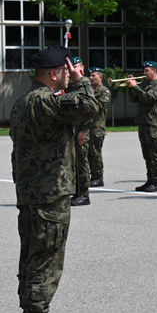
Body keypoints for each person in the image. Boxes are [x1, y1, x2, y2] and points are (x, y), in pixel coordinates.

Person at [10, 46, 99, 313]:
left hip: (32, 192)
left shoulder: (23, 100)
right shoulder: (45, 101)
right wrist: (81, 81)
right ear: (54, 73)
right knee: (46, 256)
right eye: (66, 70)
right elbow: (88, 107)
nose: (69, 74)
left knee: (33, 254)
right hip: (49, 193)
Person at [127, 60, 157, 192]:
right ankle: (149, 179)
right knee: (147, 154)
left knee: (155, 154)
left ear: (155, 71)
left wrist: (135, 87)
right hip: (143, 122)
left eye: (147, 71)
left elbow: (147, 98)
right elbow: (134, 99)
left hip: (153, 124)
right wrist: (131, 87)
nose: (144, 73)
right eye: (144, 71)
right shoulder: (145, 84)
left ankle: (156, 181)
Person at [70, 56, 93, 206]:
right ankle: (78, 191)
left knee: (82, 163)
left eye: (75, 67)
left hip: (81, 131)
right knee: (75, 163)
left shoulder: (85, 84)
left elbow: (91, 110)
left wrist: (84, 131)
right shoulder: (75, 85)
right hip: (74, 129)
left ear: (82, 69)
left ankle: (84, 194)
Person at [87, 66, 111, 188]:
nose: (90, 78)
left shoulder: (104, 91)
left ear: (100, 77)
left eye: (93, 76)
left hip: (97, 127)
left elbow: (99, 106)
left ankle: (98, 177)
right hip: (88, 127)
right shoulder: (90, 90)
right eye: (90, 76)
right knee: (88, 154)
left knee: (95, 153)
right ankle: (92, 175)